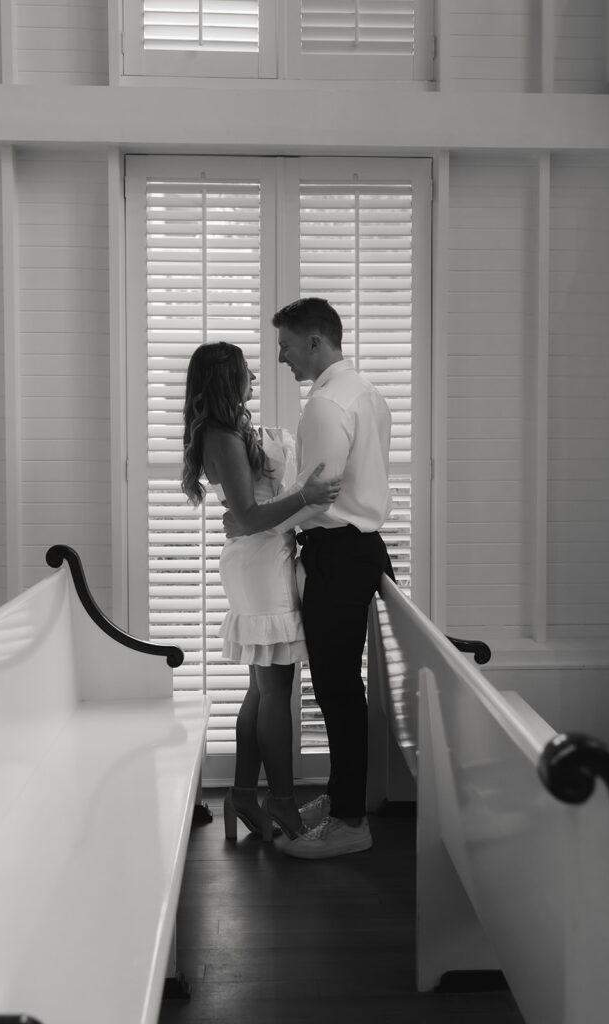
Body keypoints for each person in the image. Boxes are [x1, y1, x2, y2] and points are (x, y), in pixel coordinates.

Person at [224, 298, 395, 859]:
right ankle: (345, 795)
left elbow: (315, 498)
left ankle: (350, 822)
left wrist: (250, 524)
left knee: (337, 690)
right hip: (361, 548)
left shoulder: (324, 405)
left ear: (316, 343)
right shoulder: (367, 394)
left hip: (336, 555)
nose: (281, 358)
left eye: (287, 346)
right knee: (342, 687)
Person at [181, 341, 340, 842]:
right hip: (260, 565)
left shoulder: (232, 432)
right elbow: (247, 517)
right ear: (227, 379)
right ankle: (283, 801)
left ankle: (245, 794)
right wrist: (305, 496)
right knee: (277, 690)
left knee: (263, 688)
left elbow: (245, 515)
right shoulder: (221, 436)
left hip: (266, 558)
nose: (254, 374)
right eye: (245, 370)